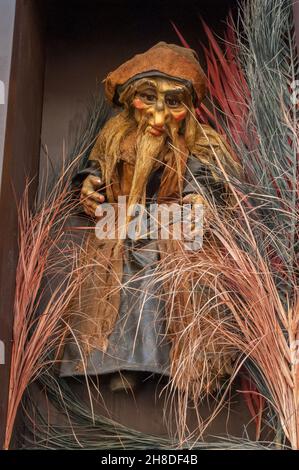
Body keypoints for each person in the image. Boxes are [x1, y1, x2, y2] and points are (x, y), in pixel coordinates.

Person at [60, 42, 241, 393]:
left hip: (175, 228)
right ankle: (118, 364)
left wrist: (199, 198)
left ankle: (178, 364)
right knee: (118, 283)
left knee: (164, 280)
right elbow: (95, 169)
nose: (158, 116)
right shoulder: (114, 137)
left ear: (187, 106)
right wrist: (89, 184)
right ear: (130, 101)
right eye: (147, 98)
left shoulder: (200, 144)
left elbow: (208, 177)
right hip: (120, 224)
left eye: (172, 103)